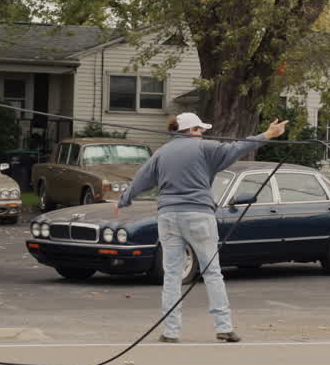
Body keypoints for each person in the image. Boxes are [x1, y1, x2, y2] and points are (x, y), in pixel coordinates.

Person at [116, 112, 287, 343]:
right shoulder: (206, 148)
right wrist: (267, 134)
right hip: (198, 215)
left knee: (173, 275)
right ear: (192, 130)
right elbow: (238, 148)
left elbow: (141, 178)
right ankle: (224, 327)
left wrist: (124, 199)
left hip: (167, 216)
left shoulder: (162, 152)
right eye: (201, 130)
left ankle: (170, 331)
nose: (204, 133)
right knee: (212, 272)